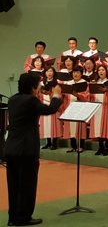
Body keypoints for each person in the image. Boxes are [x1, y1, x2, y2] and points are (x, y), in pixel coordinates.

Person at [6, 73, 62, 226]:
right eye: (39, 85)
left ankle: (13, 217)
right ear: (32, 87)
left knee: (14, 185)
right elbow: (50, 109)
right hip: (26, 149)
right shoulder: (30, 100)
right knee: (27, 185)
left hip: (11, 148)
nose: (40, 88)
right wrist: (56, 95)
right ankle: (23, 217)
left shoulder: (13, 99)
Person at [88, 65, 108, 156]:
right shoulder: (95, 82)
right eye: (99, 70)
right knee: (98, 127)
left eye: (103, 70)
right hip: (97, 106)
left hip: (106, 106)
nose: (101, 72)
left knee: (106, 127)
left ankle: (106, 147)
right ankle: (100, 147)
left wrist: (107, 90)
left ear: (106, 71)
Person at [60, 66, 88, 153]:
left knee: (80, 127)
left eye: (78, 72)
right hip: (70, 105)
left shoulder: (84, 84)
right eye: (74, 72)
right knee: (71, 126)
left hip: (80, 106)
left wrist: (78, 96)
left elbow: (87, 96)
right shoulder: (69, 83)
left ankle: (81, 146)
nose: (75, 74)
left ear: (81, 74)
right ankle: (73, 145)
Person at [39, 67, 62, 150]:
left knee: (54, 124)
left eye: (51, 71)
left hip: (53, 104)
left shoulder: (57, 83)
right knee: (46, 124)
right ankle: (48, 142)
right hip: (44, 103)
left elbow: (59, 94)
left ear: (54, 73)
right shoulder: (41, 83)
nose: (49, 73)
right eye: (47, 71)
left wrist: (50, 94)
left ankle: (55, 143)